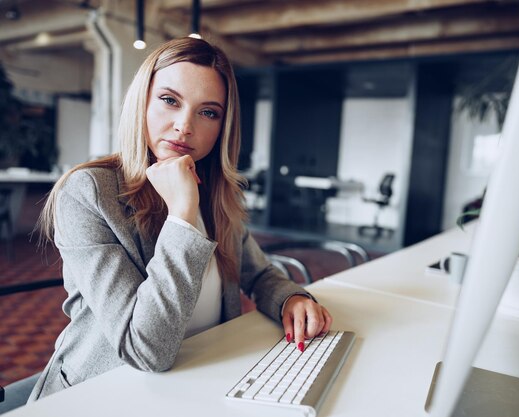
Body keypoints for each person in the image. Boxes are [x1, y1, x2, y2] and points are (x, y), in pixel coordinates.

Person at [30, 37, 332, 401]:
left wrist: (289, 299)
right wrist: (183, 216)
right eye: (169, 100)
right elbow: (146, 349)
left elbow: (259, 272)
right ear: (142, 101)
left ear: (222, 126)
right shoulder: (90, 192)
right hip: (100, 395)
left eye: (208, 112)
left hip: (200, 383)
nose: (184, 125)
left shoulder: (220, 194)